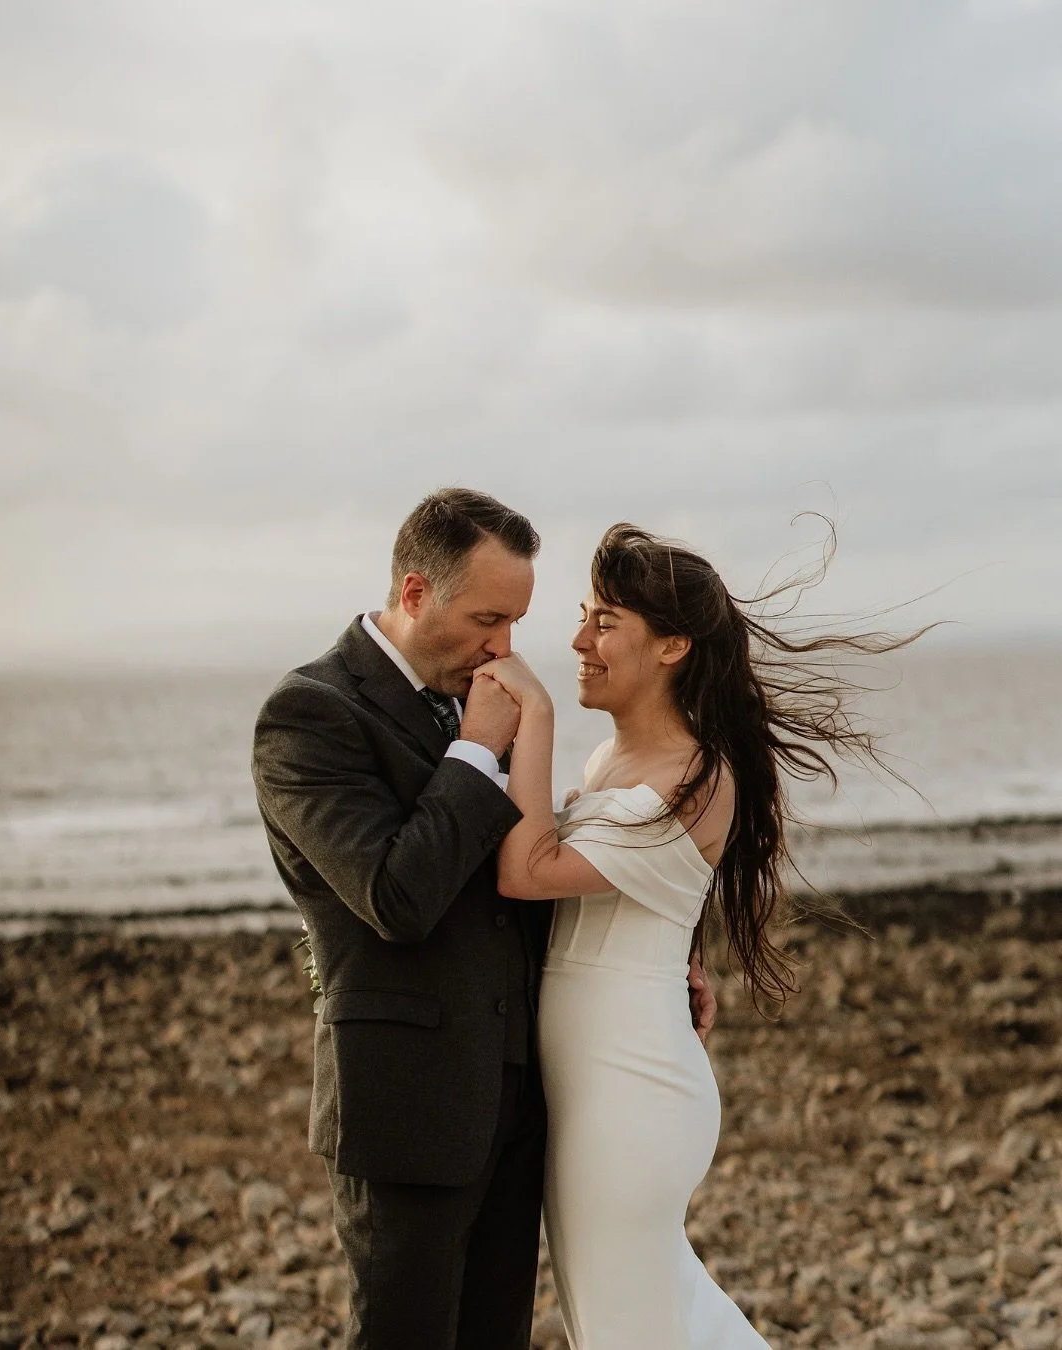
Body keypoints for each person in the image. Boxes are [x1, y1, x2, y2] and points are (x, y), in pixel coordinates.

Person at [251, 490, 717, 1350]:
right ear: (418, 592)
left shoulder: (478, 693)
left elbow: (523, 882)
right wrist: (474, 750)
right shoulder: (311, 716)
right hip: (408, 1104)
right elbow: (395, 896)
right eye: (488, 618)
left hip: (522, 1098)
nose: (504, 644)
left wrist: (659, 961)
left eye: (516, 620)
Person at [479, 521, 918, 1349]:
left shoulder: (698, 776)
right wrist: (684, 950)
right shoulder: (610, 762)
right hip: (592, 1084)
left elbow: (528, 871)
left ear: (674, 643)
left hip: (632, 1091)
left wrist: (530, 712)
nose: (578, 639)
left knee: (627, 1327)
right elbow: (637, 895)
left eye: (604, 621)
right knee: (628, 1320)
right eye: (583, 615)